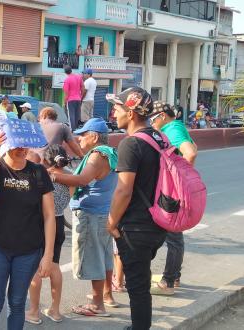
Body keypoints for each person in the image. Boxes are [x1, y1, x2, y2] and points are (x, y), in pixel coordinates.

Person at [0, 121, 56, 330]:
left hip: (28, 252)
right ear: (7, 143)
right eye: (17, 144)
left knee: (17, 304)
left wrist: (48, 256)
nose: (21, 149)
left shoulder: (38, 172)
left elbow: (49, 216)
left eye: (25, 145)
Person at [106, 87, 167, 330]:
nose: (113, 112)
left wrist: (111, 222)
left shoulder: (130, 144)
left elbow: (124, 190)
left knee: (138, 288)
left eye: (117, 107)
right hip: (158, 221)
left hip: (136, 227)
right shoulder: (159, 137)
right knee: (140, 282)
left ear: (131, 113)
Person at [49, 117, 119, 316]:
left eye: (82, 136)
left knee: (93, 257)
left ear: (94, 136)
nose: (79, 140)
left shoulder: (97, 156)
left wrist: (52, 175)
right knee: (104, 256)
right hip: (103, 211)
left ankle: (97, 305)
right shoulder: (111, 153)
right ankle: (106, 295)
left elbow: (81, 180)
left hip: (91, 213)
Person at [149, 102, 198, 296]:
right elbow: (195, 146)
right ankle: (174, 276)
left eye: (152, 119)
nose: (151, 124)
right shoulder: (177, 126)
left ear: (161, 116)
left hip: (172, 191)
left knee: (173, 234)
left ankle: (168, 281)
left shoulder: (171, 129)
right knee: (173, 232)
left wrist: (178, 179)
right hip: (175, 189)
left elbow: (191, 152)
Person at [26, 144, 71, 325]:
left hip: (43, 223)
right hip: (59, 222)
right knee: (54, 266)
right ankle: (55, 310)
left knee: (36, 268)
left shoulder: (43, 176)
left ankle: (34, 312)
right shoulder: (70, 176)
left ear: (46, 159)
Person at [63, 65, 84, 130]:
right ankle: (76, 127)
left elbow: (66, 93)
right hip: (78, 99)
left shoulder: (67, 79)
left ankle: (72, 129)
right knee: (77, 114)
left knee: (71, 114)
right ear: (71, 70)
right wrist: (81, 96)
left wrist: (64, 102)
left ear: (65, 72)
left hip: (70, 100)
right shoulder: (79, 77)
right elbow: (83, 87)